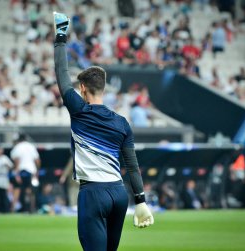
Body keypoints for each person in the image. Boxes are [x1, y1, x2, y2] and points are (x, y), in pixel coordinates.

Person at [53, 12, 154, 251]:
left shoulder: (79, 110)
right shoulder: (122, 122)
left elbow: (60, 73)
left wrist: (60, 36)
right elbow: (132, 166)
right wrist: (140, 200)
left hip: (93, 194)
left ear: (83, 88)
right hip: (119, 195)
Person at [10, 134, 41, 213]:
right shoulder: (31, 146)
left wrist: (16, 175)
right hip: (31, 171)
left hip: (21, 171)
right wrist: (37, 172)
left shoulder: (17, 147)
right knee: (30, 190)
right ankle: (31, 208)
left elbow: (17, 161)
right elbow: (37, 160)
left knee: (17, 189)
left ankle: (13, 209)